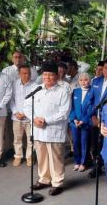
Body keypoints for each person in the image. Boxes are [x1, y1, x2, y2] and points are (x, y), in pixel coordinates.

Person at [23, 62, 71, 196]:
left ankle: (57, 182)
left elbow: (64, 112)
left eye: (50, 75)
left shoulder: (63, 91)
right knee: (42, 157)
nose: (47, 77)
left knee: (56, 158)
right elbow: (26, 106)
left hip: (54, 131)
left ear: (56, 76)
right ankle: (44, 179)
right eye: (45, 75)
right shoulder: (37, 89)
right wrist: (34, 119)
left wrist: (45, 121)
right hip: (38, 130)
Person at [88, 59, 107, 178]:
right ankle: (97, 165)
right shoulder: (96, 81)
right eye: (105, 68)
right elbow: (90, 100)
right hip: (95, 118)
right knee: (95, 144)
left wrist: (105, 120)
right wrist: (93, 116)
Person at [9, 65, 34, 167]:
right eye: (24, 73)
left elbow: (36, 101)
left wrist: (26, 113)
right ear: (19, 74)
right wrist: (15, 112)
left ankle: (29, 157)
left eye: (28, 73)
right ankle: (18, 156)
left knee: (30, 139)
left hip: (29, 118)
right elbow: (11, 100)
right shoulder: (14, 84)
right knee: (17, 139)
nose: (26, 75)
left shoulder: (35, 85)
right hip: (17, 117)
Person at [69, 73, 93, 172]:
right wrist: (74, 119)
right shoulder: (75, 91)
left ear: (90, 80)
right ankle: (77, 162)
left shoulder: (93, 91)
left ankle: (84, 163)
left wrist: (84, 120)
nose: (84, 82)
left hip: (86, 122)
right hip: (75, 122)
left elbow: (92, 108)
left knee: (84, 143)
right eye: (81, 80)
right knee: (76, 143)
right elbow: (72, 107)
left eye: (86, 79)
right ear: (78, 81)